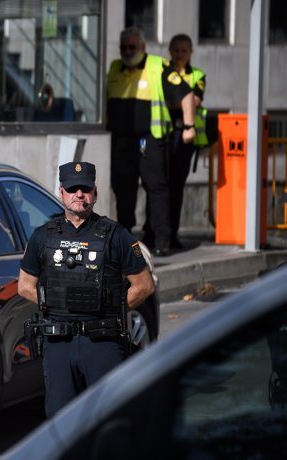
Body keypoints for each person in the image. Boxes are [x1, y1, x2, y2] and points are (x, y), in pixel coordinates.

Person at [18, 161, 156, 417]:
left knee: (107, 418)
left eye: (85, 188)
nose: (78, 194)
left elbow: (144, 286)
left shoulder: (118, 236)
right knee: (61, 422)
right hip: (59, 343)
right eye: (72, 189)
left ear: (95, 192)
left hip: (102, 341)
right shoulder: (42, 236)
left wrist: (109, 306)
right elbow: (25, 286)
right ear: (61, 193)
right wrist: (57, 302)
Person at [106, 27, 197, 256]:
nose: (127, 52)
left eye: (132, 47)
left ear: (143, 48)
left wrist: (189, 126)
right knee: (122, 188)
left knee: (155, 187)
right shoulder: (115, 68)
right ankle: (125, 235)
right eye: (123, 47)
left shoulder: (158, 66)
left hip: (149, 139)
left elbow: (186, 95)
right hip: (122, 140)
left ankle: (161, 239)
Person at [166, 33, 208, 249]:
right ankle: (155, 231)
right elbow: (185, 101)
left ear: (190, 52)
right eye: (176, 50)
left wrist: (179, 99)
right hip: (163, 135)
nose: (180, 54)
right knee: (158, 186)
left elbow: (195, 101)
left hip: (185, 137)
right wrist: (184, 100)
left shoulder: (198, 75)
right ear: (170, 51)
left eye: (184, 50)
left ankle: (172, 232)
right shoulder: (164, 70)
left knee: (176, 187)